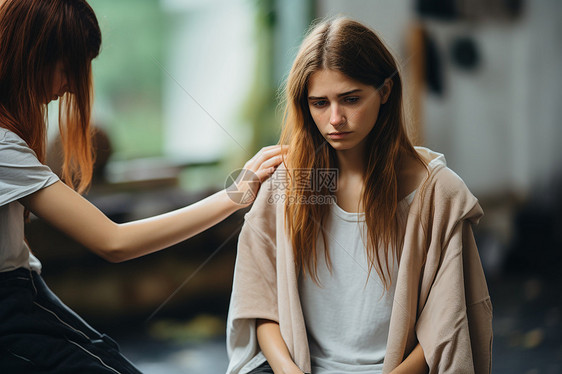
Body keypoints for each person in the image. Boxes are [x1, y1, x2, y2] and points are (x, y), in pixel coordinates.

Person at [0, 0, 285, 372]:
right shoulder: (5, 146)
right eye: (66, 68)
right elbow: (114, 242)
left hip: (28, 290)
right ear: (32, 53)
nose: (70, 85)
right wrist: (235, 196)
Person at [226, 17, 492, 374]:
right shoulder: (287, 184)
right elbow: (258, 304)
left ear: (384, 91)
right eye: (319, 103)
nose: (335, 118)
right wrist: (290, 371)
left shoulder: (437, 192)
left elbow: (446, 326)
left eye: (350, 99)